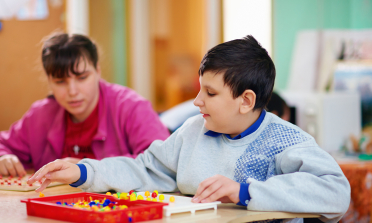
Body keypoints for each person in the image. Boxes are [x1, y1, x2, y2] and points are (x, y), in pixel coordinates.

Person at [28, 35, 350, 222]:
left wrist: (244, 191)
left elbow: (337, 193)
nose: (197, 101)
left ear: (246, 100)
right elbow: (145, 169)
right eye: (200, 89)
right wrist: (84, 173)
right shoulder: (194, 131)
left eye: (210, 93)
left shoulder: (285, 140)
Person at [0, 33, 170, 176]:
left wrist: (88, 169)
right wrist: (3, 157)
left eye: (82, 78)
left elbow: (163, 163)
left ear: (98, 71)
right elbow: (3, 144)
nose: (73, 91)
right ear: (49, 82)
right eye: (60, 81)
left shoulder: (131, 107)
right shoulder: (40, 114)